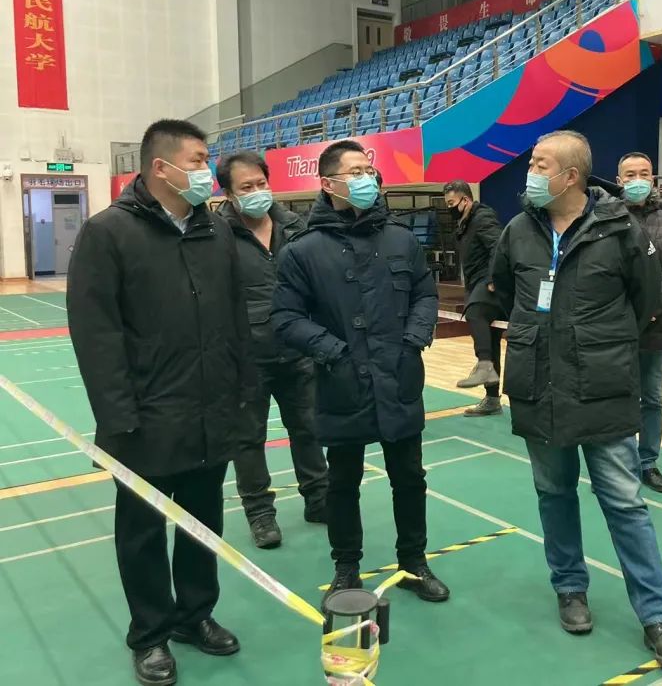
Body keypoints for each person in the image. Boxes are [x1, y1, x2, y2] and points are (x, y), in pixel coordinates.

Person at [490, 130, 662, 668]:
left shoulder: (621, 230)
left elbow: (646, 299)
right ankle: (570, 589)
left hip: (603, 388)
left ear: (570, 176)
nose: (530, 173)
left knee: (625, 503)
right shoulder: (517, 231)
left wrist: (598, 343)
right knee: (554, 494)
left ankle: (658, 616)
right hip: (538, 387)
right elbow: (502, 292)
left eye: (540, 164)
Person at [67, 119, 253, 686]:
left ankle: (195, 616)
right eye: (197, 160)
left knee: (202, 524)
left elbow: (235, 319)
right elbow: (96, 336)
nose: (207, 170)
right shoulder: (108, 233)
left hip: (210, 412)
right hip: (144, 421)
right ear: (160, 168)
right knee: (143, 532)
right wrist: (119, 419)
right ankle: (150, 634)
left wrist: (240, 395)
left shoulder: (215, 231)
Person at [271, 139, 449, 603]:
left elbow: (425, 294)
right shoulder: (302, 252)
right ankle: (346, 567)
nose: (367, 178)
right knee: (342, 482)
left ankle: (414, 562)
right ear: (328, 184)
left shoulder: (401, 239)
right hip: (342, 382)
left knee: (409, 478)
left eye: (369, 170)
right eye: (355, 172)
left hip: (398, 378)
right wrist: (333, 352)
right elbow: (286, 317)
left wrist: (413, 339)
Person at [217, 151, 329, 549]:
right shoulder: (215, 235)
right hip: (246, 359)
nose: (257, 192)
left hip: (298, 351)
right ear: (229, 194)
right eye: (246, 187)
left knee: (309, 428)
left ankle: (319, 498)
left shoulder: (295, 226)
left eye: (261, 183)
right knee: (248, 439)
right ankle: (260, 513)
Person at [614, 153, 662, 493]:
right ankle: (620, 463)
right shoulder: (607, 219)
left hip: (656, 324)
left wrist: (649, 308)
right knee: (619, 395)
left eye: (644, 173)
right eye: (630, 174)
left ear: (653, 180)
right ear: (619, 181)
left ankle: (647, 463)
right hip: (616, 324)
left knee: (652, 398)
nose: (638, 180)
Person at [443, 180, 506, 416]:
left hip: (488, 283)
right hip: (474, 283)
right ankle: (492, 399)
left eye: (451, 203)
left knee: (475, 311)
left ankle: (484, 365)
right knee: (490, 340)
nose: (449, 208)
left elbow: (498, 245)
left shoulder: (482, 217)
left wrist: (492, 278)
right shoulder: (464, 223)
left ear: (466, 200)